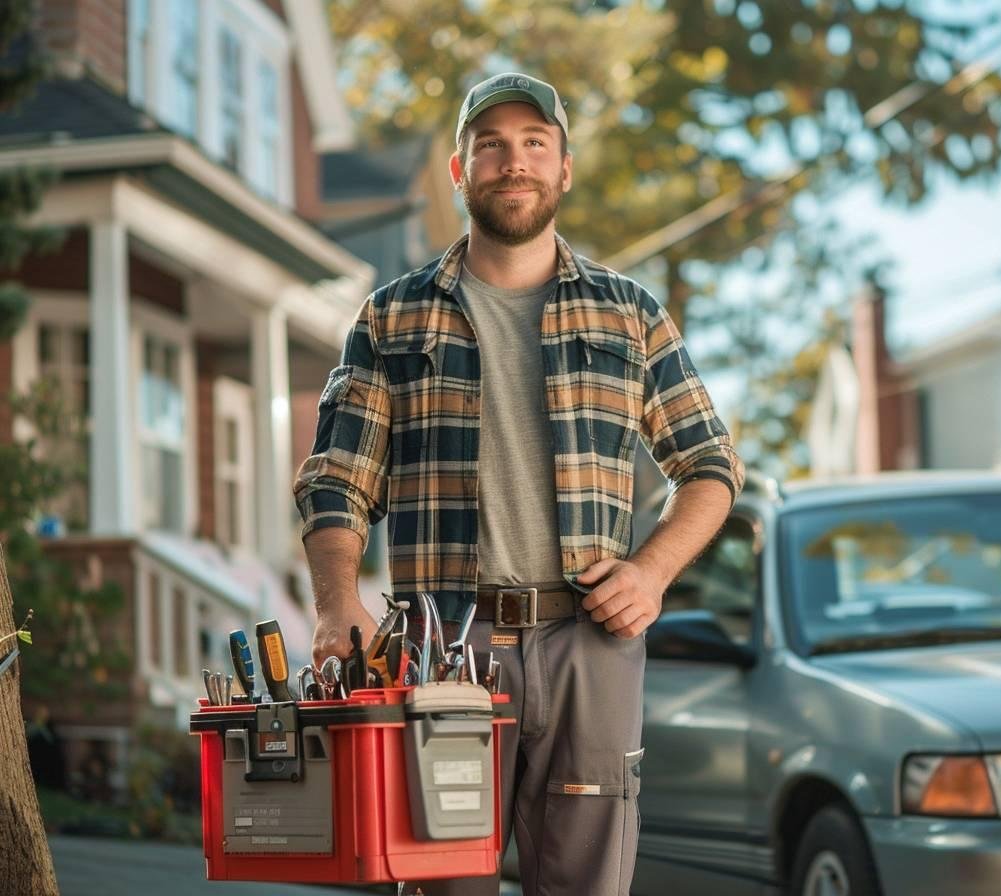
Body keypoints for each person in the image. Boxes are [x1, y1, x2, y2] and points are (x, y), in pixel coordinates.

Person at [293, 72, 744, 896]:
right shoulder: (391, 318)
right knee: (442, 881)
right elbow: (336, 479)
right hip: (442, 648)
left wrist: (651, 571)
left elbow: (710, 465)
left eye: (535, 144)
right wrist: (335, 603)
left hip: (591, 645)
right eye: (491, 145)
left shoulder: (630, 313)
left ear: (564, 168)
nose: (515, 162)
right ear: (461, 172)